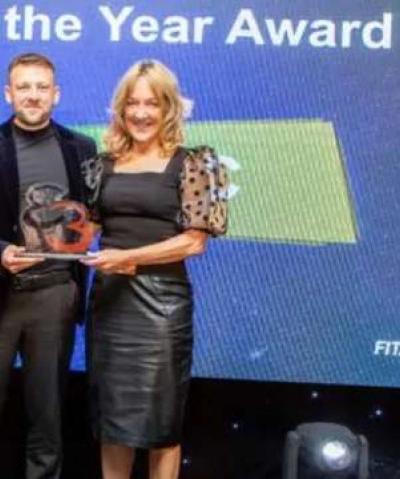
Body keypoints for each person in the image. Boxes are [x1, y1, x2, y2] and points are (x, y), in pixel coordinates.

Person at [0, 52, 97, 479]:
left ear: (56, 94)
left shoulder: (82, 148)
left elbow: (89, 217)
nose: (33, 95)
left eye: (41, 87)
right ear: (9, 93)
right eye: (24, 87)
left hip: (54, 298)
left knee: (47, 425)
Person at [81, 60, 228, 479]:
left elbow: (194, 241)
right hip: (110, 306)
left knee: (161, 426)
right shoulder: (101, 165)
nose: (142, 113)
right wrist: (42, 238)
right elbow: (84, 231)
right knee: (114, 422)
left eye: (152, 103)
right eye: (133, 103)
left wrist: (129, 258)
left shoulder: (194, 163)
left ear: (169, 109)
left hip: (162, 307)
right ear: (121, 109)